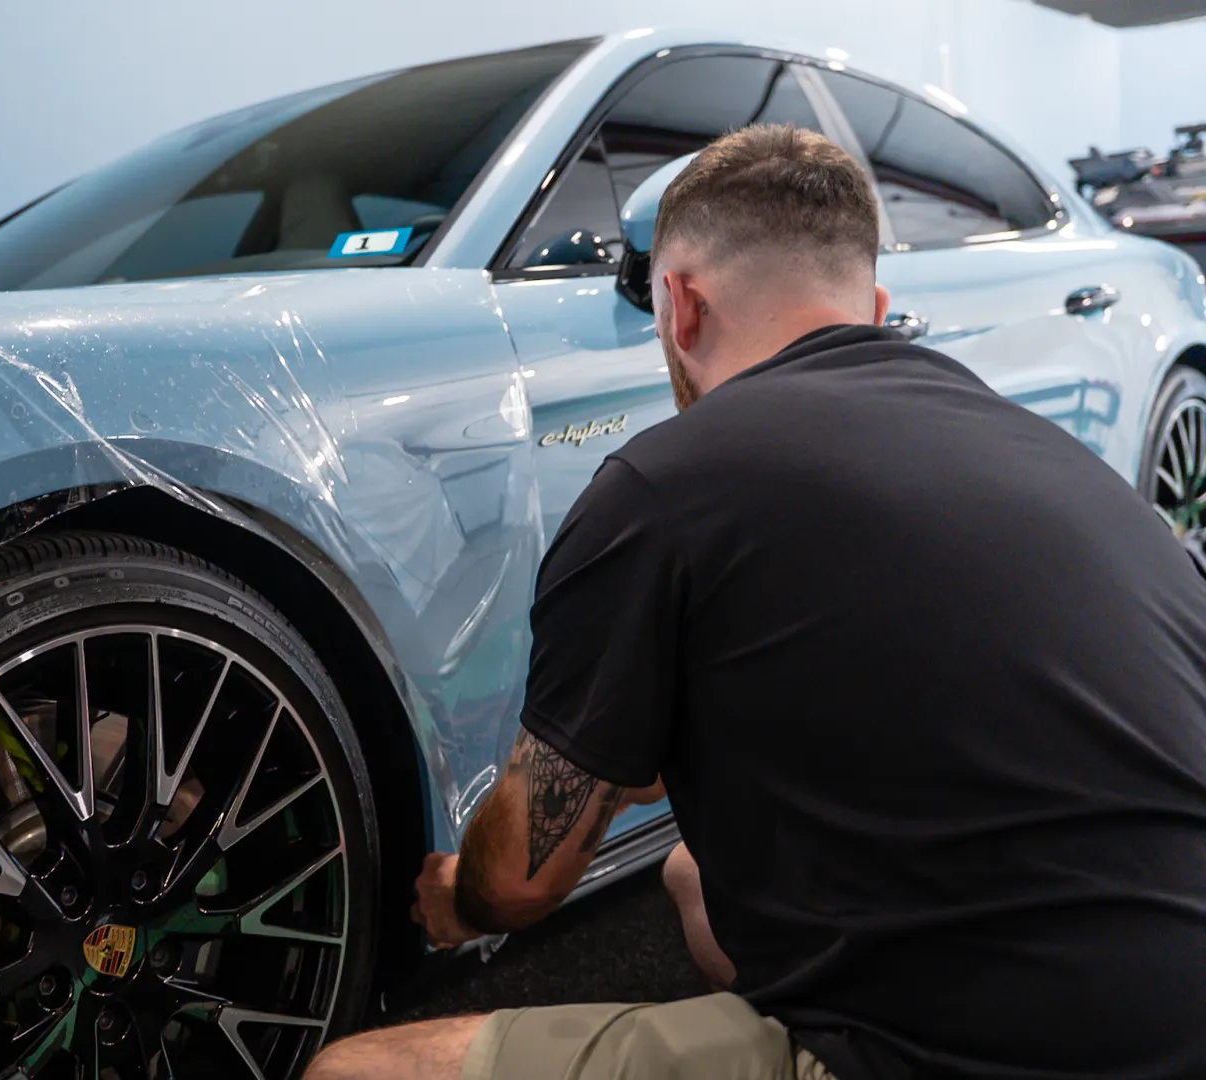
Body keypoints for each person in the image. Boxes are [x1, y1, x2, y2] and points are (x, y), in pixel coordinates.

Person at [306, 124, 1206, 1080]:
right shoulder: (1045, 453)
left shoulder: (664, 484)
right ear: (875, 308)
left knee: (357, 1073)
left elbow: (523, 882)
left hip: (990, 1057)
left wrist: (458, 896)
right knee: (693, 875)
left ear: (679, 305)